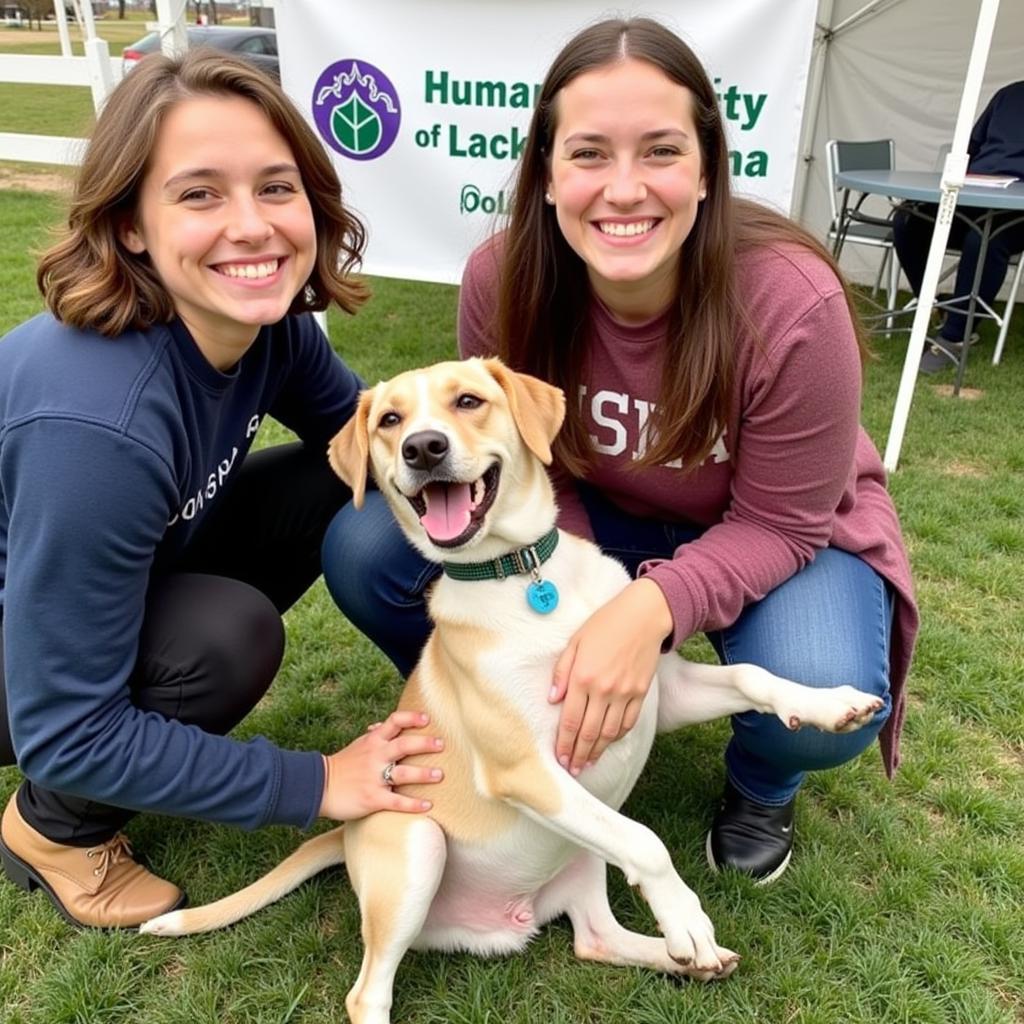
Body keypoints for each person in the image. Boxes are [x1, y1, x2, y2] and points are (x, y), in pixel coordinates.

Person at [323, 17, 919, 886]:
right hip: (595, 518)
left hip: (776, 534)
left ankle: (762, 782)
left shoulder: (793, 304)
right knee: (369, 547)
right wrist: (578, 588)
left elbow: (783, 522)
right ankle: (501, 716)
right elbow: (520, 460)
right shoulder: (503, 279)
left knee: (823, 678)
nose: (625, 189)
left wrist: (643, 611)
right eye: (591, 153)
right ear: (548, 172)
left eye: (663, 152)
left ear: (709, 169)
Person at [0, 50, 444, 930]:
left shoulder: (269, 328)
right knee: (225, 641)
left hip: (86, 583)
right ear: (130, 224)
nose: (253, 226)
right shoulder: (98, 428)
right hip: (28, 668)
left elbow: (360, 441)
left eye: (276, 188)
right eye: (199, 194)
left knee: (340, 476)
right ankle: (52, 830)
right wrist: (316, 781)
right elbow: (63, 726)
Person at [892, 79, 1024, 374]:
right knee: (908, 220)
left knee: (985, 239)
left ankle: (954, 337)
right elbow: (971, 146)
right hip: (976, 191)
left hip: (1019, 209)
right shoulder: (1008, 94)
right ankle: (937, 305)